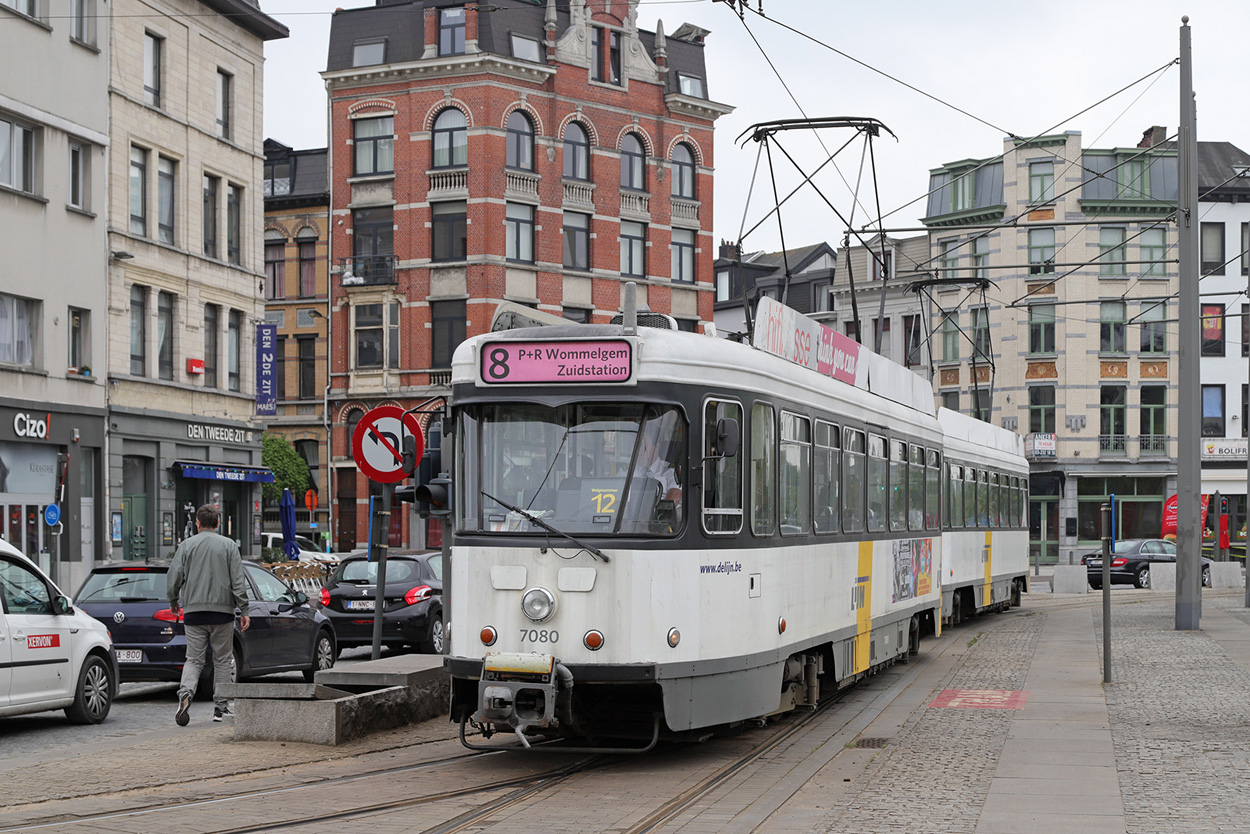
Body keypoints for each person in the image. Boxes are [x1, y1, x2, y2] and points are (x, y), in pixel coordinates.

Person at [167, 504, 251, 725]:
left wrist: (174, 600)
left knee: (193, 659)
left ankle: (185, 693)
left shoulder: (186, 546)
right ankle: (221, 709)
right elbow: (238, 581)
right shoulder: (229, 546)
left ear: (197, 523)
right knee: (223, 660)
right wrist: (244, 609)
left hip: (193, 612)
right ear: (218, 523)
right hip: (222, 612)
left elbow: (174, 575)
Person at [634, 429, 681, 506]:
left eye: (644, 447)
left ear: (656, 447)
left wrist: (657, 514)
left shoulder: (670, 470)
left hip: (659, 516)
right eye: (637, 447)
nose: (639, 452)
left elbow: (676, 494)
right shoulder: (628, 471)